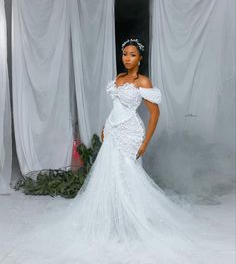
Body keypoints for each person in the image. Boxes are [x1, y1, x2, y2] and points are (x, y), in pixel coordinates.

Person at [11, 39, 212, 264]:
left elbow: (155, 114)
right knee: (109, 174)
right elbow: (115, 107)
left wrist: (145, 143)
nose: (127, 58)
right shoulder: (118, 79)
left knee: (128, 176)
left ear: (140, 58)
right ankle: (113, 219)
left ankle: (132, 222)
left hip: (132, 133)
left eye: (132, 54)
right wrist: (106, 127)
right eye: (124, 54)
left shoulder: (143, 81)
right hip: (114, 131)